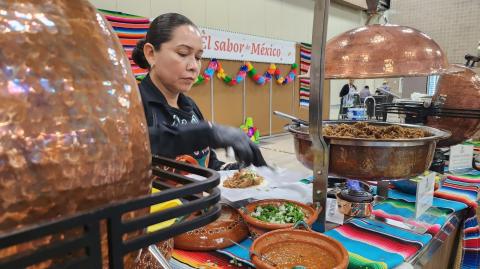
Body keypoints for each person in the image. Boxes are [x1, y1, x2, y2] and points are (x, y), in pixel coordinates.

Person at [132, 13, 266, 170]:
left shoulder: (190, 107)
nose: (194, 66)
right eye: (182, 53)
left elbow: (209, 166)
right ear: (151, 54)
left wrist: (242, 170)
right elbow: (140, 142)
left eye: (198, 57)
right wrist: (205, 133)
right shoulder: (134, 105)